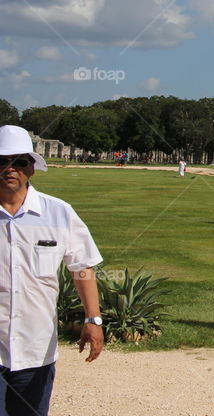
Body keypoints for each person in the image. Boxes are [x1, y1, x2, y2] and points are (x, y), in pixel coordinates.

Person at [0, 125, 103, 415]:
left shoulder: (58, 213)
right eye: (1, 161)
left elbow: (82, 266)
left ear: (31, 167)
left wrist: (93, 319)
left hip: (36, 348)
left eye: (19, 161)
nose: (10, 168)